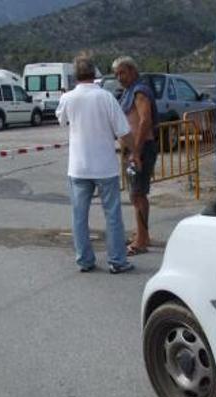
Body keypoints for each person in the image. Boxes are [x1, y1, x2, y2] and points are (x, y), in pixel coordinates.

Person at [56, 56, 138, 274]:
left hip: (78, 167)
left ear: (75, 75)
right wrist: (135, 152)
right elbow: (123, 132)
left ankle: (84, 260)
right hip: (104, 167)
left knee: (79, 216)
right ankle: (117, 261)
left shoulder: (68, 98)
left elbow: (61, 120)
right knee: (112, 214)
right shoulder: (106, 97)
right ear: (95, 74)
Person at [112, 56, 158, 256]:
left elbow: (144, 120)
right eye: (116, 74)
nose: (119, 77)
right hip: (134, 150)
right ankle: (142, 234)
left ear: (132, 71)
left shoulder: (140, 92)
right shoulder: (130, 91)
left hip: (141, 150)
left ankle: (141, 240)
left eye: (122, 72)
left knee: (138, 194)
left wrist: (136, 152)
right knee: (135, 194)